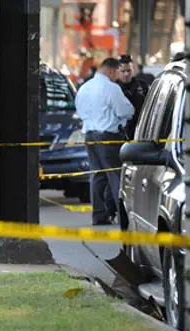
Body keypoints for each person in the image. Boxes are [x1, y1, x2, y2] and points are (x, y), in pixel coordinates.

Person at [75, 57, 134, 226]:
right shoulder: (111, 88)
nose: (117, 76)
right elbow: (125, 111)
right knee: (115, 175)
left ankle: (98, 215)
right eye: (117, 72)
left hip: (90, 136)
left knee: (97, 176)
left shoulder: (84, 88)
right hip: (108, 138)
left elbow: (79, 111)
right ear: (111, 71)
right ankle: (123, 217)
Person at [116, 55, 149, 140]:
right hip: (119, 133)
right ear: (117, 71)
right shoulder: (112, 88)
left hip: (140, 131)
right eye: (122, 71)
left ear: (133, 70)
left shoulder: (142, 86)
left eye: (129, 70)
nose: (126, 74)